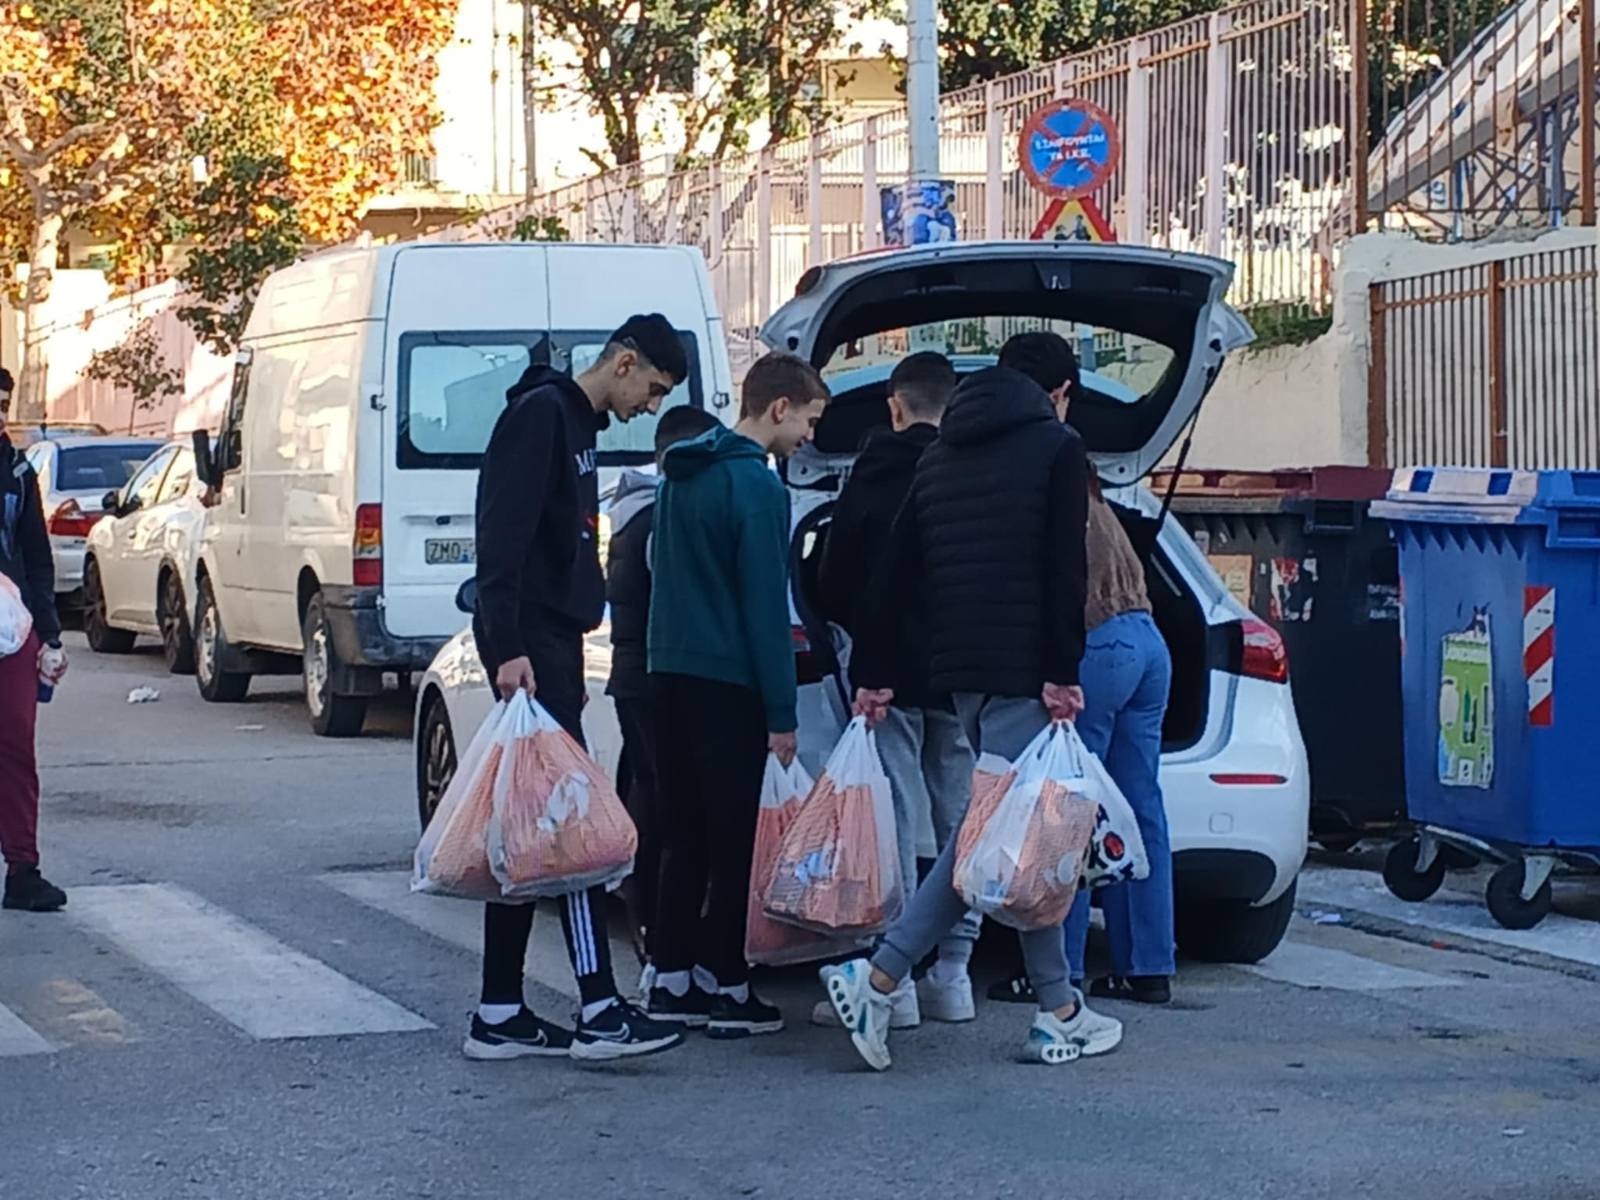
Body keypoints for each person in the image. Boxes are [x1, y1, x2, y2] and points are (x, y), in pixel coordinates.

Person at [821, 358, 1124, 1070]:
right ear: (1048, 394)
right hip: (1025, 671)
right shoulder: (1056, 448)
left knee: (1016, 840)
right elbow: (1065, 568)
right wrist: (1063, 671)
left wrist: (875, 673)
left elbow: (895, 573)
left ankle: (1058, 1008)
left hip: (960, 675)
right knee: (996, 840)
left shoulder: (939, 458)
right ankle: (881, 975)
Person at [467, 313, 690, 1063]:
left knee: (536, 829)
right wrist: (508, 649)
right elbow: (501, 537)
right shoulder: (543, 417)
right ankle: (599, 1006)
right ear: (624, 362)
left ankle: (501, 1008)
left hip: (551, 642)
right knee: (569, 827)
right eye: (652, 388)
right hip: (533, 649)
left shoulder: (573, 423)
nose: (650, 407)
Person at [643, 351, 829, 1038]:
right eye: (808, 420)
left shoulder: (680, 475)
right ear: (779, 408)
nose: (809, 435)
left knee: (682, 833)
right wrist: (782, 711)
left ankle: (670, 973)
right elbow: (764, 607)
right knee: (733, 842)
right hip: (729, 681)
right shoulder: (757, 487)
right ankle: (726, 979)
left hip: (669, 670)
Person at [999, 331, 1177, 1005]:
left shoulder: (1035, 456)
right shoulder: (1086, 470)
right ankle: (1149, 965)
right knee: (1138, 805)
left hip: (1097, 644)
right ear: (1064, 392)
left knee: (1067, 808)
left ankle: (1060, 971)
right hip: (1148, 642)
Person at [811, 351, 978, 1028]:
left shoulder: (872, 475)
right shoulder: (970, 472)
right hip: (964, 670)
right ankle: (955, 975)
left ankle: (894, 979)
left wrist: (865, 658)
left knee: (899, 817)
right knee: (963, 814)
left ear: (894, 406)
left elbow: (835, 582)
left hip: (888, 671)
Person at [604, 404, 720, 969]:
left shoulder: (633, 514)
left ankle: (649, 921)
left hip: (633, 676)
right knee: (666, 811)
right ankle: (657, 926)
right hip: (656, 677)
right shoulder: (661, 518)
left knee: (652, 801)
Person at [0, 367, 70, 913]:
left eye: (3, 407)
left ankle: (23, 869)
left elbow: (37, 556)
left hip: (12, 629)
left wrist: (50, 635)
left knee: (16, 748)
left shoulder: (18, 470)